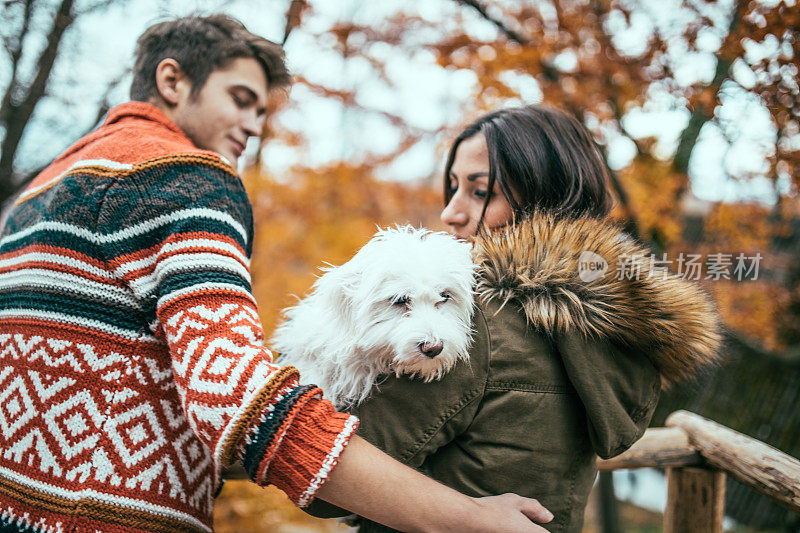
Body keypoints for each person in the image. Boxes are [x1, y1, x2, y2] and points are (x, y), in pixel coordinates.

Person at [0, 16, 554, 533]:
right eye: (240, 100)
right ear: (171, 81)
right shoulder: (187, 178)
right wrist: (464, 518)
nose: (253, 126)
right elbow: (235, 394)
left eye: (261, 111)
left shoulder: (42, 186)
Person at [306, 105, 722, 532]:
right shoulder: (597, 325)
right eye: (453, 188)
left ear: (544, 197)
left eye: (481, 192)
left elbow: (323, 482)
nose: (451, 212)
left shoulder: (480, 324)